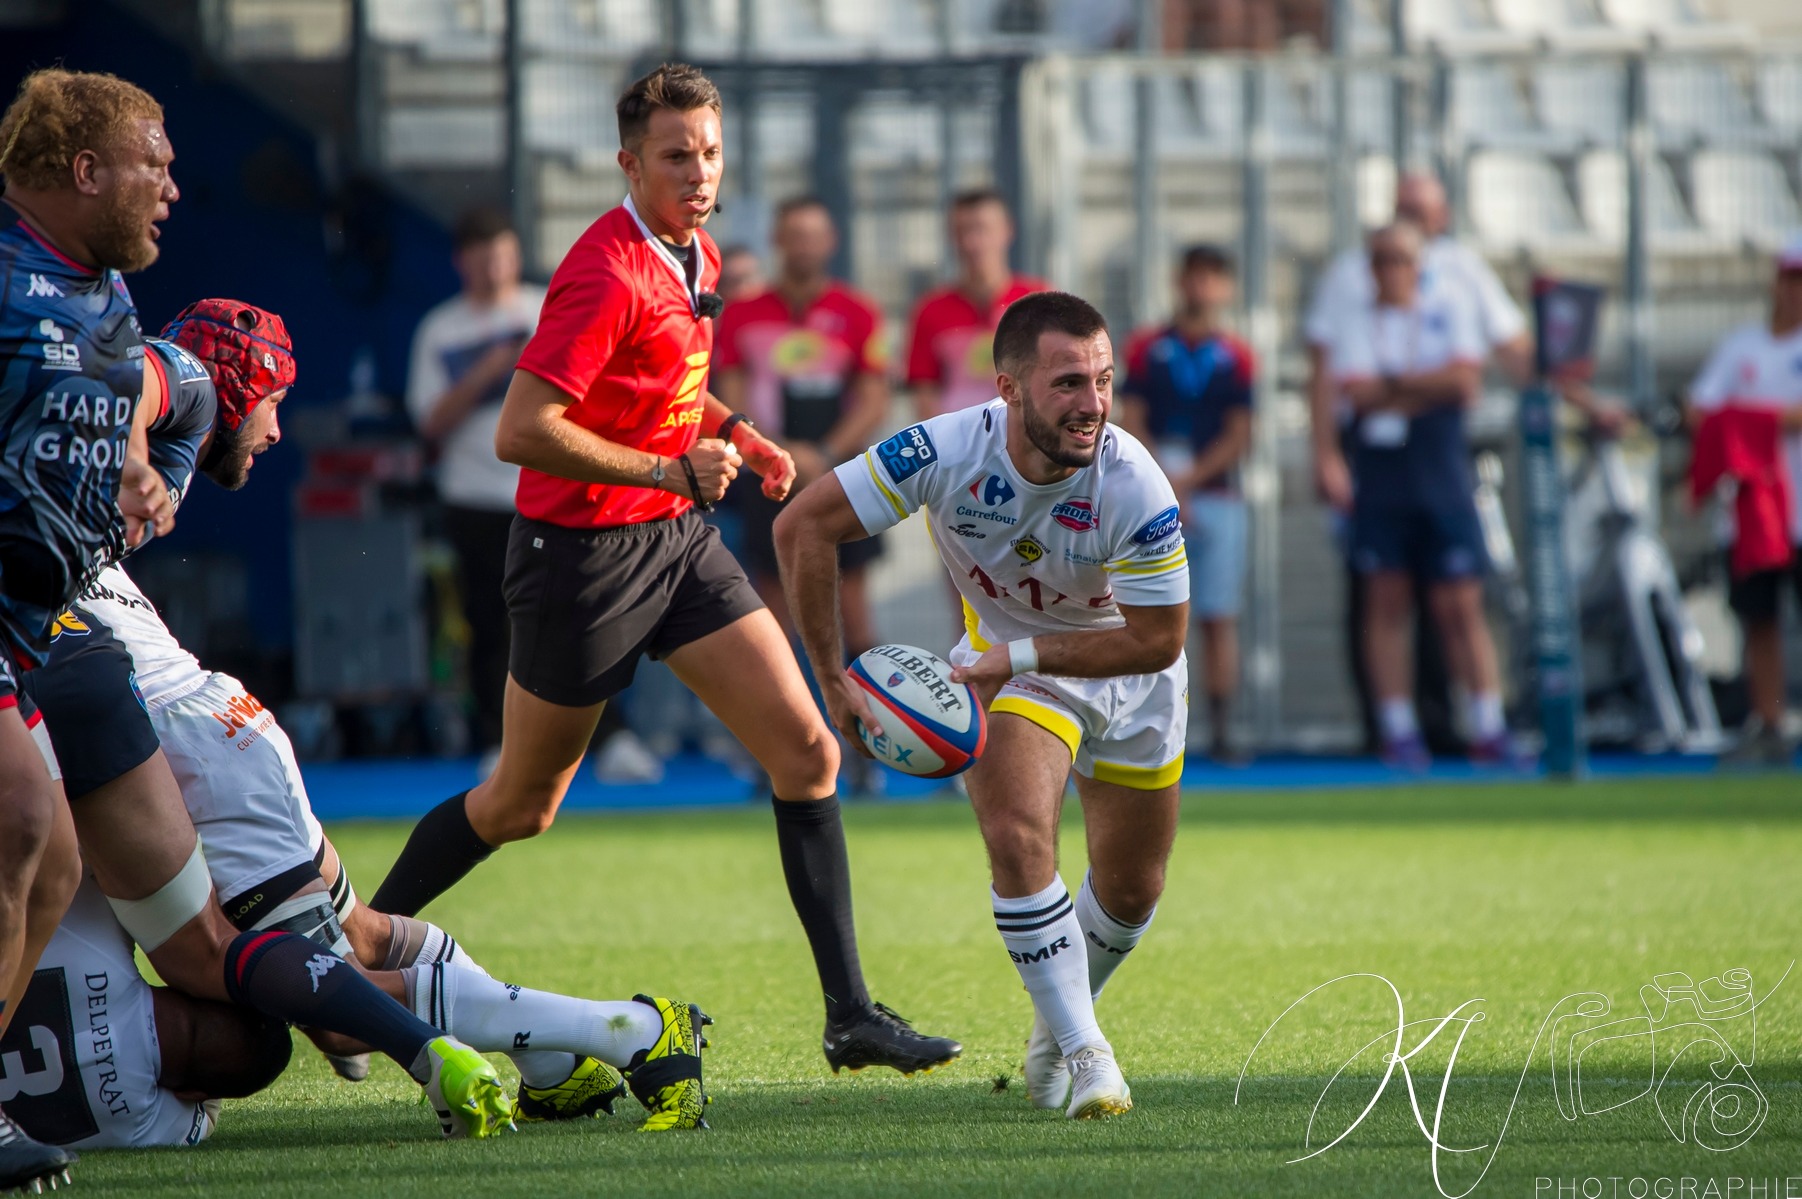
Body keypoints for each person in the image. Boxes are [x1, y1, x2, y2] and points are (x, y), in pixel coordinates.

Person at [368, 63, 961, 1077]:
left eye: (710, 152)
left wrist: (745, 434)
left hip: (677, 541)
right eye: (676, 155)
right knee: (519, 802)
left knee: (808, 754)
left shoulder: (697, 251)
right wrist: (670, 466)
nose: (697, 171)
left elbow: (669, 392)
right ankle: (347, 953)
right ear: (628, 164)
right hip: (579, 562)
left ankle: (849, 1014)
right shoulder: (604, 270)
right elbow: (522, 429)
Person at [22, 303, 518, 1142]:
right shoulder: (191, 382)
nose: (279, 429)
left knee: (298, 968)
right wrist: (137, 462)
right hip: (176, 721)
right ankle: (576, 1037)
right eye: (275, 401)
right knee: (322, 971)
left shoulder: (150, 408)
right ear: (240, 380)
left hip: (149, 710)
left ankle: (562, 1038)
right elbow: (134, 379)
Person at [777, 291, 1190, 1119]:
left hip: (1127, 671)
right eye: (1069, 382)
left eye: (1104, 380)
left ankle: (1053, 1026)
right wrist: (830, 679)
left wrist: (1023, 651)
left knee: (1134, 887)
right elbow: (803, 527)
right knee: (1015, 830)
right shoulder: (942, 448)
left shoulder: (1134, 480)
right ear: (1008, 388)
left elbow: (1157, 641)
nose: (1093, 405)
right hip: (1010, 675)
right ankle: (1088, 1050)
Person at [0, 67, 189, 1190]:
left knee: (54, 848)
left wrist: (142, 474)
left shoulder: (105, 295)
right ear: (85, 172)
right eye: (152, 163)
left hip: (24, 628)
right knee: (26, 813)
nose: (171, 184)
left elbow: (131, 398)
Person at [1326, 224, 1520, 769]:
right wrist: (1417, 389)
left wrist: (1393, 390)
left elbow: (1463, 382)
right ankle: (1398, 727)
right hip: (1383, 477)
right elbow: (1357, 393)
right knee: (1386, 601)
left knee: (1459, 603)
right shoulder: (1357, 321)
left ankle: (1488, 722)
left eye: (1401, 260)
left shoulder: (1448, 307)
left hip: (1440, 472)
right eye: (1381, 259)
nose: (1392, 270)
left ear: (1419, 265)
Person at [712, 196, 890, 652]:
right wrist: (777, 453)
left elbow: (874, 399)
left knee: (855, 618)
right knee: (775, 622)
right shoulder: (743, 314)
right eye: (794, 236)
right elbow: (733, 398)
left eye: (813, 236)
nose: (803, 247)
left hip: (842, 476)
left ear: (831, 242)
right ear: (777, 241)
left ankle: (869, 722)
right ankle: (788, 721)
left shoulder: (860, 312)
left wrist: (824, 456)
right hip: (768, 477)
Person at [407, 207, 545, 768]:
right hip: (475, 499)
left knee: (576, 616)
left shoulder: (546, 309)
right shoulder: (441, 329)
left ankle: (607, 739)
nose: (495, 267)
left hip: (551, 493)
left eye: (504, 254)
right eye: (483, 257)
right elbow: (429, 421)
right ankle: (497, 741)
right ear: (462, 262)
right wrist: (491, 369)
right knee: (492, 625)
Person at [1120, 246, 1254, 761]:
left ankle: (1221, 732)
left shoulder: (1236, 354)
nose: (1202, 289)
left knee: (1219, 615)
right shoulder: (1147, 348)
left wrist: (1189, 483)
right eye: (1194, 278)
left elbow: (1241, 432)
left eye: (1212, 279)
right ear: (1180, 282)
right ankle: (1137, 729)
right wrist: (1166, 486)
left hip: (1214, 496)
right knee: (1139, 617)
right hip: (1151, 500)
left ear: (1226, 288)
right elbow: (1132, 418)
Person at [1685, 236, 1802, 767]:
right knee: (1759, 619)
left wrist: (1746, 418)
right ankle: (1770, 721)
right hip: (1755, 514)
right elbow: (1699, 410)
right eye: (1791, 278)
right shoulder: (1743, 346)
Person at [905, 189, 1048, 419]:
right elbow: (924, 394)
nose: (971, 243)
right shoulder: (930, 310)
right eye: (961, 231)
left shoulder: (1040, 301)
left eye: (982, 230)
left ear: (1007, 231)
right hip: (960, 444)